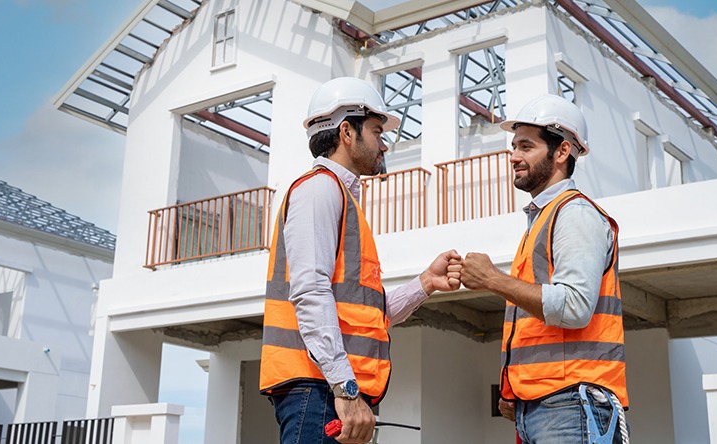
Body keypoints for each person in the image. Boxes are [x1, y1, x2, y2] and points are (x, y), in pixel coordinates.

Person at [259, 77, 461, 444]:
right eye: (377, 131)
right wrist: (346, 391)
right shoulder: (319, 189)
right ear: (347, 132)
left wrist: (425, 284)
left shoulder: (339, 197)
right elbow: (309, 292)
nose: (384, 144)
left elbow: (366, 314)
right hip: (319, 391)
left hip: (327, 390)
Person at [449, 94, 629, 443]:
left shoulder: (574, 214)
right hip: (542, 405)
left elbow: (575, 307)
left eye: (526, 147)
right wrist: (516, 386)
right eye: (514, 147)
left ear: (561, 151)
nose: (514, 156)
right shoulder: (542, 220)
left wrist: (492, 279)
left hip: (571, 403)